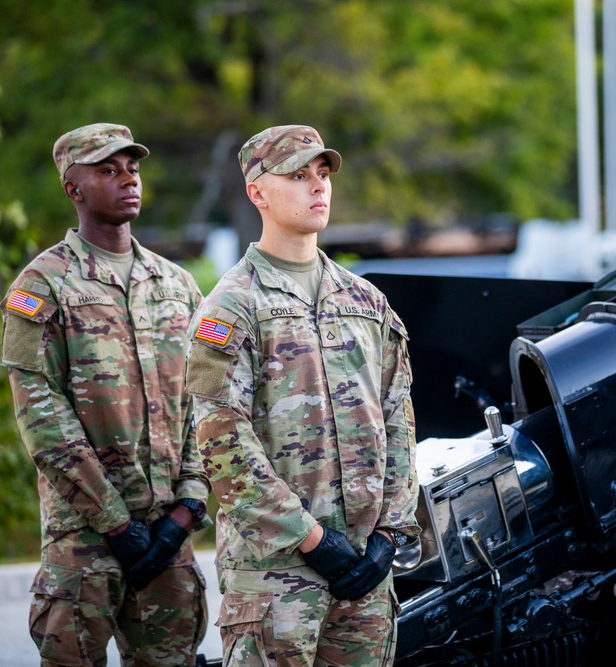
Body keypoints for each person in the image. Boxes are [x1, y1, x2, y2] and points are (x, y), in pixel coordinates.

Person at [185, 125, 419, 666]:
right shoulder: (232, 306)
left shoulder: (366, 301)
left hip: (365, 569)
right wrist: (311, 539)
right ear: (257, 192)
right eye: (297, 175)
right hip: (277, 576)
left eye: (322, 173)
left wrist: (389, 532)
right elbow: (222, 443)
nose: (318, 186)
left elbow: (399, 418)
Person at [0, 122, 211, 666]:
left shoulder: (177, 285)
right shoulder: (42, 285)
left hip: (169, 537)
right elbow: (43, 419)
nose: (128, 180)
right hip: (86, 544)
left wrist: (189, 505)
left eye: (133, 168)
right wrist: (116, 523)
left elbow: (205, 403)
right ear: (74, 189)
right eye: (108, 170)